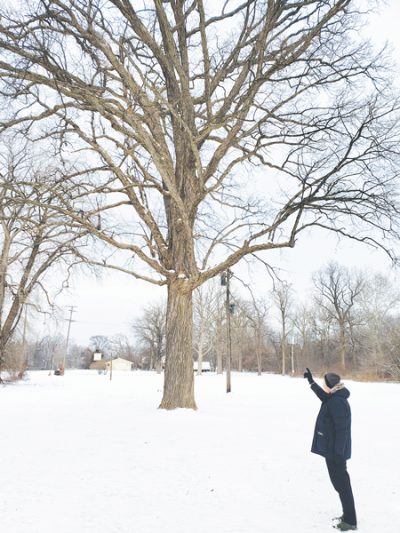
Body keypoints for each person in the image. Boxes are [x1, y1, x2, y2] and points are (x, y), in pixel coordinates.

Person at [304, 368, 357, 531]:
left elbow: (342, 430)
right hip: (333, 449)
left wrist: (339, 453)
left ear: (330, 385)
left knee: (341, 485)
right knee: (340, 484)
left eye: (323, 382)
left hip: (335, 452)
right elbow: (324, 397)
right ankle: (348, 515)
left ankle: (349, 521)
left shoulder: (337, 402)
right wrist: (311, 383)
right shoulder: (334, 397)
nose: (323, 385)